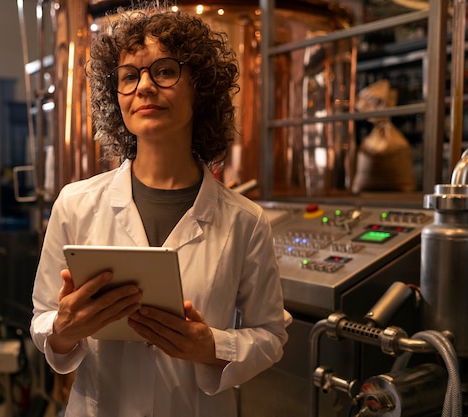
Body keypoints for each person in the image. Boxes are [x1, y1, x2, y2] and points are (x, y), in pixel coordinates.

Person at [30, 6, 291, 417]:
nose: (144, 87)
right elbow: (44, 317)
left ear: (199, 87)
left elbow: (271, 334)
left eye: (164, 71)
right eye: (129, 76)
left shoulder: (245, 220)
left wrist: (212, 347)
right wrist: (62, 331)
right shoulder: (75, 203)